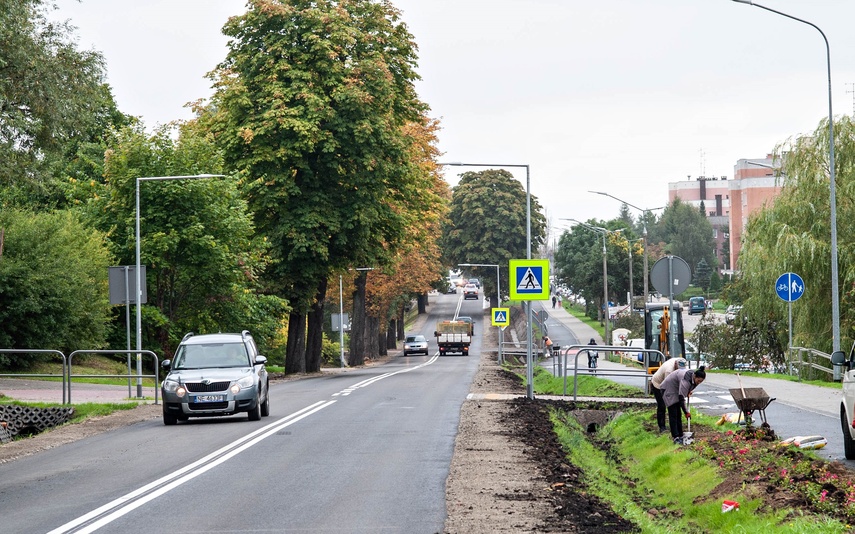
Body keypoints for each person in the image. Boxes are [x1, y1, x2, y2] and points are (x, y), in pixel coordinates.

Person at [661, 365, 706, 444]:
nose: (699, 383)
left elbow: (690, 386)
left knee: (678, 414)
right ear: (695, 376)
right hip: (668, 389)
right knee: (674, 414)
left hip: (676, 389)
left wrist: (688, 391)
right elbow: (681, 398)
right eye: (698, 381)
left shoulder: (694, 377)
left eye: (701, 381)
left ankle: (681, 435)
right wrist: (686, 412)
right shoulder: (685, 379)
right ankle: (676, 437)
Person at [650, 357, 688, 433]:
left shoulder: (683, 365)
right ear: (675, 365)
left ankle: (677, 427)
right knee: (662, 405)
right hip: (658, 385)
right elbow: (668, 386)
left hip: (669, 385)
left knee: (676, 405)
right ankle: (662, 427)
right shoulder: (669, 371)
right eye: (678, 368)